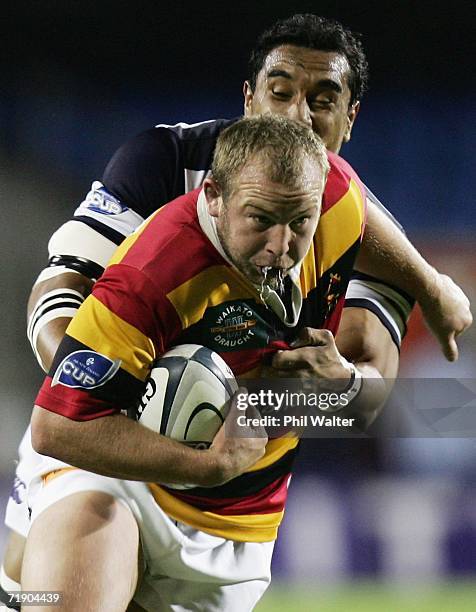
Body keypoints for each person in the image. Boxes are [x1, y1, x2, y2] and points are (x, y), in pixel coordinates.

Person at [1, 12, 471, 607]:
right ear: (249, 100)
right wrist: (123, 385)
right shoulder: (164, 168)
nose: (298, 114)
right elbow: (59, 300)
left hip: (236, 521)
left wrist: (315, 392)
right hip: (114, 459)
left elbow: (359, 403)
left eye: (323, 100)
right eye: (281, 93)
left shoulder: (350, 219)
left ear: (350, 120)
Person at [25, 115, 361, 610]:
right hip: (118, 479)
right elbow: (55, 427)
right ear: (213, 196)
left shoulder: (342, 206)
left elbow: (356, 399)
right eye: (260, 219)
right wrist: (209, 464)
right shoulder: (153, 275)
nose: (281, 245)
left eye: (300, 222)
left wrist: (343, 387)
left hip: (238, 527)